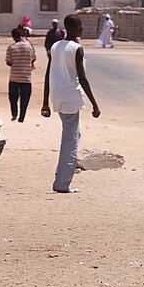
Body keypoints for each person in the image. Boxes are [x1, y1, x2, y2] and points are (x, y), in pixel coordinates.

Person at [41, 14, 101, 193]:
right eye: (80, 26)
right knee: (70, 141)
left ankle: (61, 176)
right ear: (74, 28)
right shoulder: (77, 48)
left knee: (72, 135)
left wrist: (45, 102)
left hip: (58, 96)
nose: (81, 29)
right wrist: (95, 104)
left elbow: (47, 74)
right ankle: (62, 183)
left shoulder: (55, 46)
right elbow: (82, 78)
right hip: (70, 97)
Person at [6, 27, 36, 123]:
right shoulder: (29, 46)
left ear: (14, 36)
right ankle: (22, 117)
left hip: (14, 77)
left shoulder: (11, 47)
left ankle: (14, 114)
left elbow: (9, 62)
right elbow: (33, 58)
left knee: (13, 98)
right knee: (25, 99)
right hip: (26, 78)